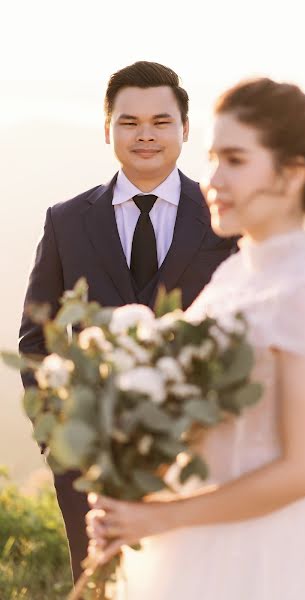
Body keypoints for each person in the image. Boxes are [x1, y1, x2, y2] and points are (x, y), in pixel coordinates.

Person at [86, 77, 305, 599]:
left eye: (234, 160)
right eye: (211, 158)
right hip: (192, 541)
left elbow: (304, 472)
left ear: (292, 173)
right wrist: (134, 492)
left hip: (273, 555)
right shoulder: (236, 275)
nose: (211, 179)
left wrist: (163, 517)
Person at [18, 61, 236, 582]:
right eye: (129, 122)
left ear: (184, 128)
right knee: (98, 586)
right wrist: (59, 436)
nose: (145, 135)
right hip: (89, 466)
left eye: (160, 122)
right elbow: (37, 336)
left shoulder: (224, 219)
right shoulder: (67, 220)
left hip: (196, 462)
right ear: (107, 128)